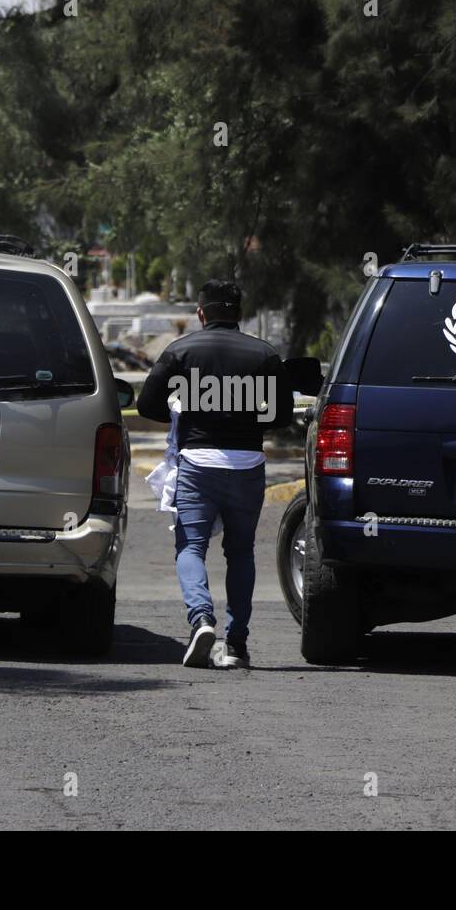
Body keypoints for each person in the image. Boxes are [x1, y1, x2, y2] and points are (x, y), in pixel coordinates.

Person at [137, 279, 293, 668]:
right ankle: (237, 644)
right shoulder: (264, 354)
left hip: (197, 465)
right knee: (241, 552)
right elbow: (281, 414)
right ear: (238, 314)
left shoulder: (179, 351)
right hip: (248, 465)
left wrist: (187, 408)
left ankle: (201, 619)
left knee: (191, 547)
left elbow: (146, 406)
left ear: (201, 313)